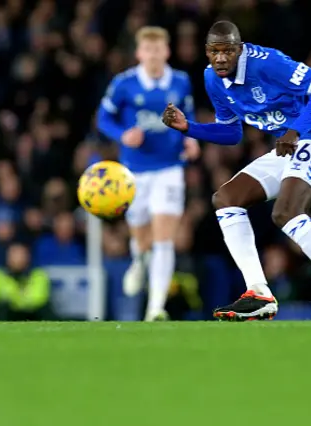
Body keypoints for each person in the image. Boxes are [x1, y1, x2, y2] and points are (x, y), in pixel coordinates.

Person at [162, 20, 311, 321]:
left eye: (228, 50)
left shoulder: (269, 64)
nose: (221, 58)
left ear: (240, 50)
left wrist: (295, 130)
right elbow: (231, 133)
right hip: (290, 143)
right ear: (206, 53)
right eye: (215, 51)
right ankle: (258, 292)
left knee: (286, 213)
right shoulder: (212, 79)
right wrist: (189, 128)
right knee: (226, 199)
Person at [97, 26, 200, 321]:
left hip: (169, 168)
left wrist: (191, 139)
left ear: (166, 51)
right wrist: (122, 135)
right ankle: (139, 260)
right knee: (141, 235)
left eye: (158, 50)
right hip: (134, 171)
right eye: (148, 50)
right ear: (139, 53)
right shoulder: (125, 83)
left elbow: (187, 117)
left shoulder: (180, 81)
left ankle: (156, 308)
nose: (153, 56)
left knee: (164, 238)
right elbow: (103, 117)